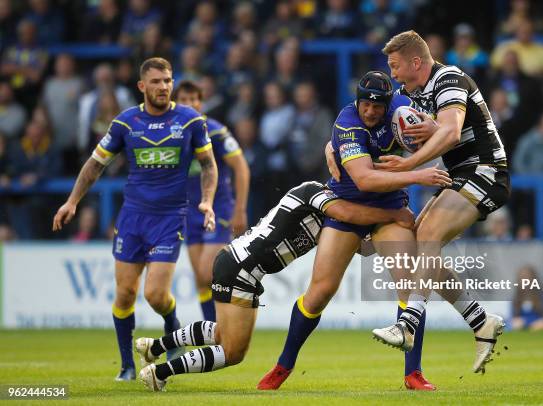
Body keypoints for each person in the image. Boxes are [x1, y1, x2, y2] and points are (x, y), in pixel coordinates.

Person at [258, 71, 452, 392]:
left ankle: (412, 374)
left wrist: (432, 129)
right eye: (366, 105)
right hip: (349, 208)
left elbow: (440, 129)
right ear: (357, 101)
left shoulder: (403, 110)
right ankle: (283, 365)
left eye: (378, 106)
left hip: (389, 209)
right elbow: (363, 180)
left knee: (409, 283)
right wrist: (418, 175)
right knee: (320, 292)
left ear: (389, 104)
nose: (372, 112)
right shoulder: (347, 122)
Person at [135, 180, 416, 391]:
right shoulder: (317, 193)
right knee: (233, 353)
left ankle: (156, 347)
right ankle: (159, 374)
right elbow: (347, 212)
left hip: (240, 265)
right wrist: (392, 216)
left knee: (223, 333)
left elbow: (360, 247)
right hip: (242, 268)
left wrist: (393, 236)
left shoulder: (335, 218)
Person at [52, 57, 218, 381]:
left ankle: (172, 328)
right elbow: (94, 164)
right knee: (125, 294)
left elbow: (209, 166)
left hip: (170, 217)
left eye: (167, 81)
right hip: (132, 217)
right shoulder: (125, 123)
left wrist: (208, 202)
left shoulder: (190, 121)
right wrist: (72, 201)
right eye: (156, 81)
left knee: (155, 295)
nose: (163, 87)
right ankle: (127, 365)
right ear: (142, 86)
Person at [369, 31, 509, 374]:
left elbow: (449, 132)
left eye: (396, 65)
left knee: (428, 232)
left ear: (417, 61)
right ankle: (481, 321)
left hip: (486, 169)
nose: (393, 74)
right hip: (459, 173)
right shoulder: (407, 94)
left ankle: (408, 325)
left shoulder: (449, 78)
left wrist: (409, 164)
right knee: (419, 246)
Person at [173, 80, 250, 321]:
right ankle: (213, 331)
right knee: (201, 281)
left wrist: (240, 209)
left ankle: (232, 318)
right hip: (188, 211)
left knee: (207, 273)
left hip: (218, 209)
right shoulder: (171, 133)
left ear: (201, 101)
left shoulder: (215, 130)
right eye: (184, 99)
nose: (190, 104)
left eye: (194, 99)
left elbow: (241, 168)